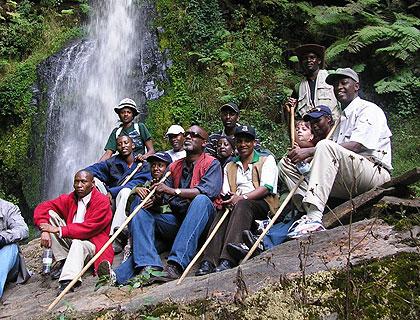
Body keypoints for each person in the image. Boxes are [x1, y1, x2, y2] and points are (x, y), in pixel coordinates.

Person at [98, 126, 223, 285]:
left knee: (201, 200)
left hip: (202, 223)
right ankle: (141, 267)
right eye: (187, 134)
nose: (189, 137)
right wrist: (154, 199)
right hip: (177, 222)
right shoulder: (175, 166)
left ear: (204, 143)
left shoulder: (212, 164)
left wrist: (172, 191)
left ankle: (175, 265)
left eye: (195, 135)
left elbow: (207, 192)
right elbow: (163, 197)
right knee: (141, 209)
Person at [286, 68, 392, 238]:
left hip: (374, 171)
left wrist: (312, 150)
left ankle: (314, 218)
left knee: (324, 146)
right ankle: (308, 210)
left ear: (356, 86)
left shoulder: (368, 109)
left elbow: (356, 146)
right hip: (349, 175)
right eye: (336, 85)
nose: (339, 88)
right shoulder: (341, 119)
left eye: (344, 83)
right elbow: (330, 158)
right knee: (288, 163)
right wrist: (305, 162)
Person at [228, 108, 334, 260]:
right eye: (297, 129)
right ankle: (260, 242)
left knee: (291, 218)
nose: (299, 131)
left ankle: (263, 241)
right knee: (289, 219)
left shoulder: (325, 147)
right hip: (298, 202)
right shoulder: (293, 157)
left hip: (317, 198)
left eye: (304, 129)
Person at [195, 125, 279, 275]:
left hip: (262, 204)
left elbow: (266, 187)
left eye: (247, 141)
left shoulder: (266, 160)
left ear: (254, 143)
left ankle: (228, 258)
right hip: (238, 203)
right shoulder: (230, 166)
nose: (243, 144)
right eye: (239, 141)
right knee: (223, 211)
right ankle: (208, 261)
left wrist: (242, 197)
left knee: (242, 204)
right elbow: (226, 191)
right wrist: (229, 200)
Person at [33, 170, 114, 293]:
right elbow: (43, 207)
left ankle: (68, 281)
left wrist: (58, 229)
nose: (79, 185)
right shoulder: (70, 198)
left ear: (92, 184)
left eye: (83, 182)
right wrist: (44, 229)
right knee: (50, 215)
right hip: (72, 239)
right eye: (76, 181)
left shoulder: (102, 201)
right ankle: (65, 260)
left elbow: (89, 228)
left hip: (92, 243)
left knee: (77, 243)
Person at [85, 135, 151, 239]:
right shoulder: (112, 162)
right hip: (110, 200)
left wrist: (112, 192)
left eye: (126, 143)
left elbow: (136, 183)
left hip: (128, 202)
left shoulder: (143, 165)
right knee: (92, 181)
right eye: (119, 144)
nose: (123, 146)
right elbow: (96, 169)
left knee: (125, 191)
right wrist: (82, 175)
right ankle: (88, 223)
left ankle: (116, 235)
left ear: (133, 145)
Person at [283, 44, 340, 122]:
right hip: (310, 129)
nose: (308, 60)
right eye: (305, 59)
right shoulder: (298, 87)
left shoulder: (331, 77)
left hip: (333, 127)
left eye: (312, 57)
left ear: (319, 61)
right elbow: (293, 113)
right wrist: (289, 108)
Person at [0, 198, 30, 299]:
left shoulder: (7, 207)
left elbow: (23, 230)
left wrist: (3, 238)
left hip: (7, 260)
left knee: (11, 247)